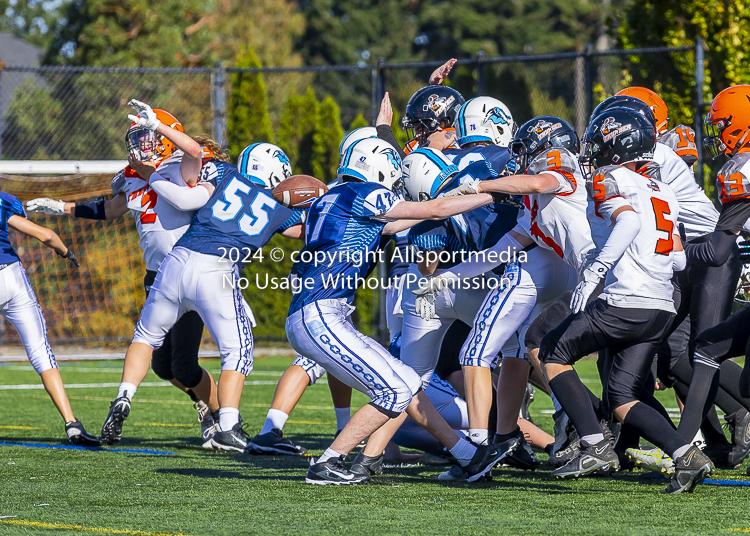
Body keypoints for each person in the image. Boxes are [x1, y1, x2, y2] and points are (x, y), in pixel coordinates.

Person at [287, 137, 510, 485]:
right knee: (393, 390)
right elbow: (433, 212)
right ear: (377, 167)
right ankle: (328, 461)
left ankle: (467, 455)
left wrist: (453, 198)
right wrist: (491, 194)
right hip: (321, 314)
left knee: (407, 381)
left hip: (318, 313)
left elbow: (402, 221)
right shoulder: (366, 193)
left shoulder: (329, 200)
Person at [26, 100, 221, 446]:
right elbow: (109, 209)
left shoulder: (183, 167)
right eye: (137, 138)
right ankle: (202, 404)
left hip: (191, 273)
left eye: (146, 137)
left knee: (185, 366)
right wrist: (62, 208)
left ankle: (221, 419)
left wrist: (161, 127)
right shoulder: (131, 178)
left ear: (163, 137)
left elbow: (192, 148)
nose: (139, 145)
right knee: (163, 367)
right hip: (156, 276)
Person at [539, 107, 713, 494]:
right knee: (621, 395)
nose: (594, 151)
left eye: (600, 142)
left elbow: (629, 222)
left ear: (618, 146)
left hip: (626, 299)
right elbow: (680, 257)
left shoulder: (611, 177)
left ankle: (594, 444)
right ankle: (686, 454)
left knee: (551, 352)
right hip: (661, 305)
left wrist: (597, 270)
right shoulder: (664, 190)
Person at [104, 134, 305, 452]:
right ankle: (228, 427)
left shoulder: (222, 173)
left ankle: (125, 394)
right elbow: (305, 231)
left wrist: (150, 173)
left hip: (176, 261)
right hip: (217, 271)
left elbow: (188, 186)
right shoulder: (279, 209)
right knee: (237, 350)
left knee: (145, 337)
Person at [671, 86, 750, 472]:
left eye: (721, 125)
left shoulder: (742, 171)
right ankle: (684, 450)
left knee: (709, 350)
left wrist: (673, 254)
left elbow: (718, 251)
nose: (716, 134)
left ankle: (683, 451)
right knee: (710, 350)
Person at [0, 192, 98, 445]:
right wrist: (66, 253)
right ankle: (71, 423)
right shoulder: (3, 200)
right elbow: (46, 235)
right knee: (41, 353)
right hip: (10, 276)